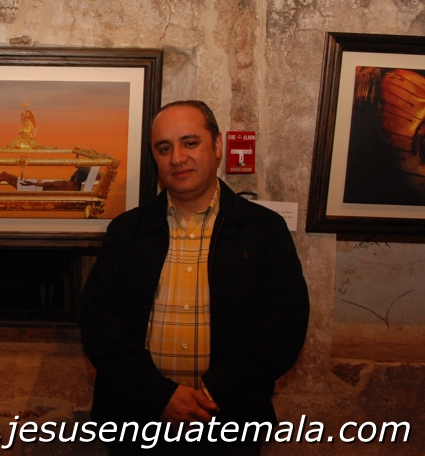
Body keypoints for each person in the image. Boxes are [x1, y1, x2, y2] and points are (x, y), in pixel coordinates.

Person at [81, 101, 309, 455]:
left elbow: (283, 327)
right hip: (138, 421)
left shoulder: (263, 230)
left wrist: (216, 392)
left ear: (217, 146)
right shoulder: (126, 231)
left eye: (190, 143)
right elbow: (101, 325)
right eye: (164, 148)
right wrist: (161, 396)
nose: (177, 158)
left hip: (229, 423)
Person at [0, 168, 89, 191]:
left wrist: (30, 183)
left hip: (34, 188)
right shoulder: (75, 187)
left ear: (78, 174)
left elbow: (49, 185)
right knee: (4, 175)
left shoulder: (69, 185)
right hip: (36, 186)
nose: (74, 172)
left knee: (3, 175)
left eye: (76, 172)